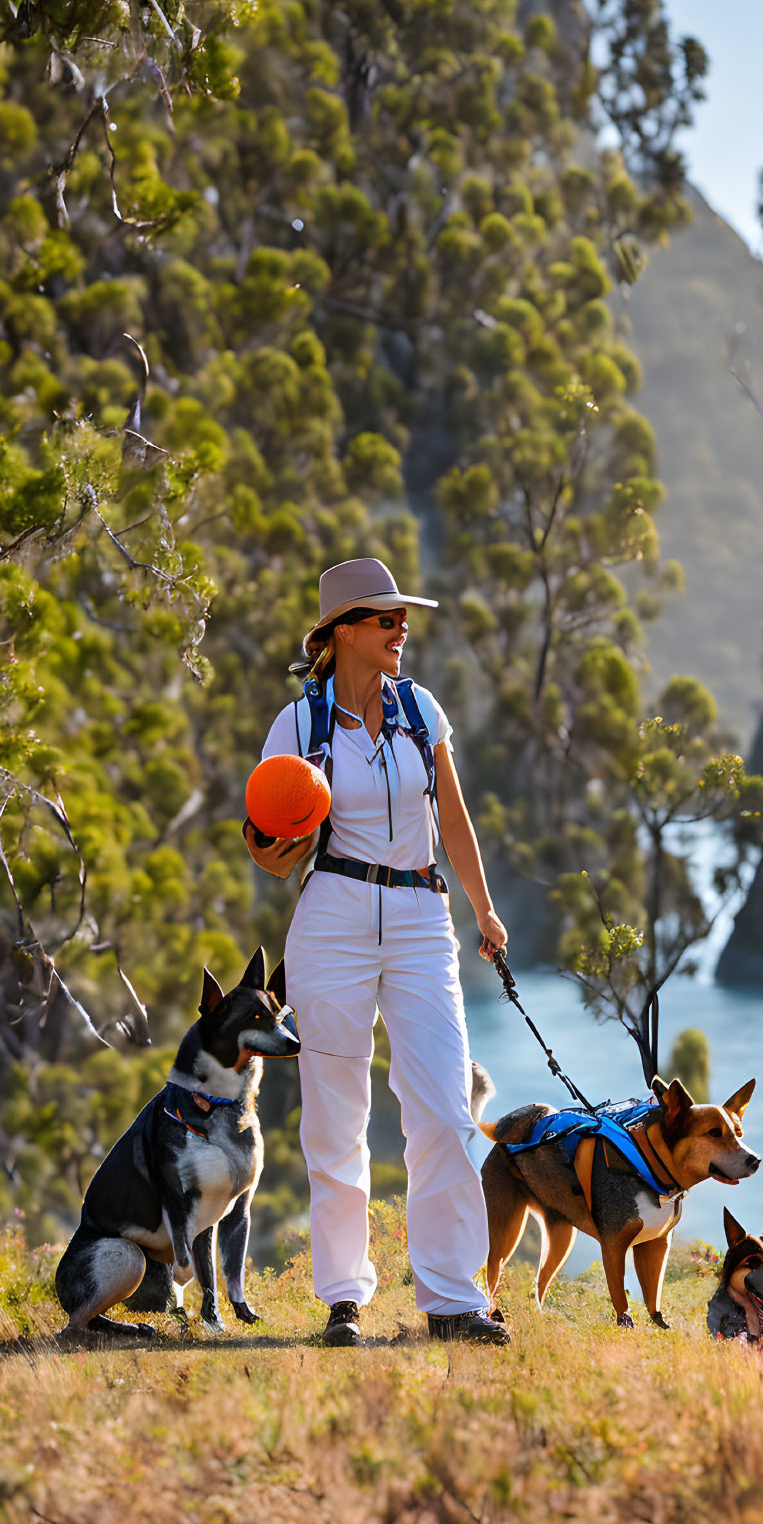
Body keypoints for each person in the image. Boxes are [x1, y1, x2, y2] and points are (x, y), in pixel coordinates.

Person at [245, 558, 510, 1346]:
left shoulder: (420, 710)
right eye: (385, 618)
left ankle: (453, 1299)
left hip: (423, 915)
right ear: (342, 633)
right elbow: (266, 844)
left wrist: (485, 909)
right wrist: (278, 841)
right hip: (332, 915)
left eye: (403, 617)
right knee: (336, 1116)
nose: (402, 629)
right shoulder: (298, 724)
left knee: (442, 1105)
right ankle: (344, 1299)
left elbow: (454, 820)